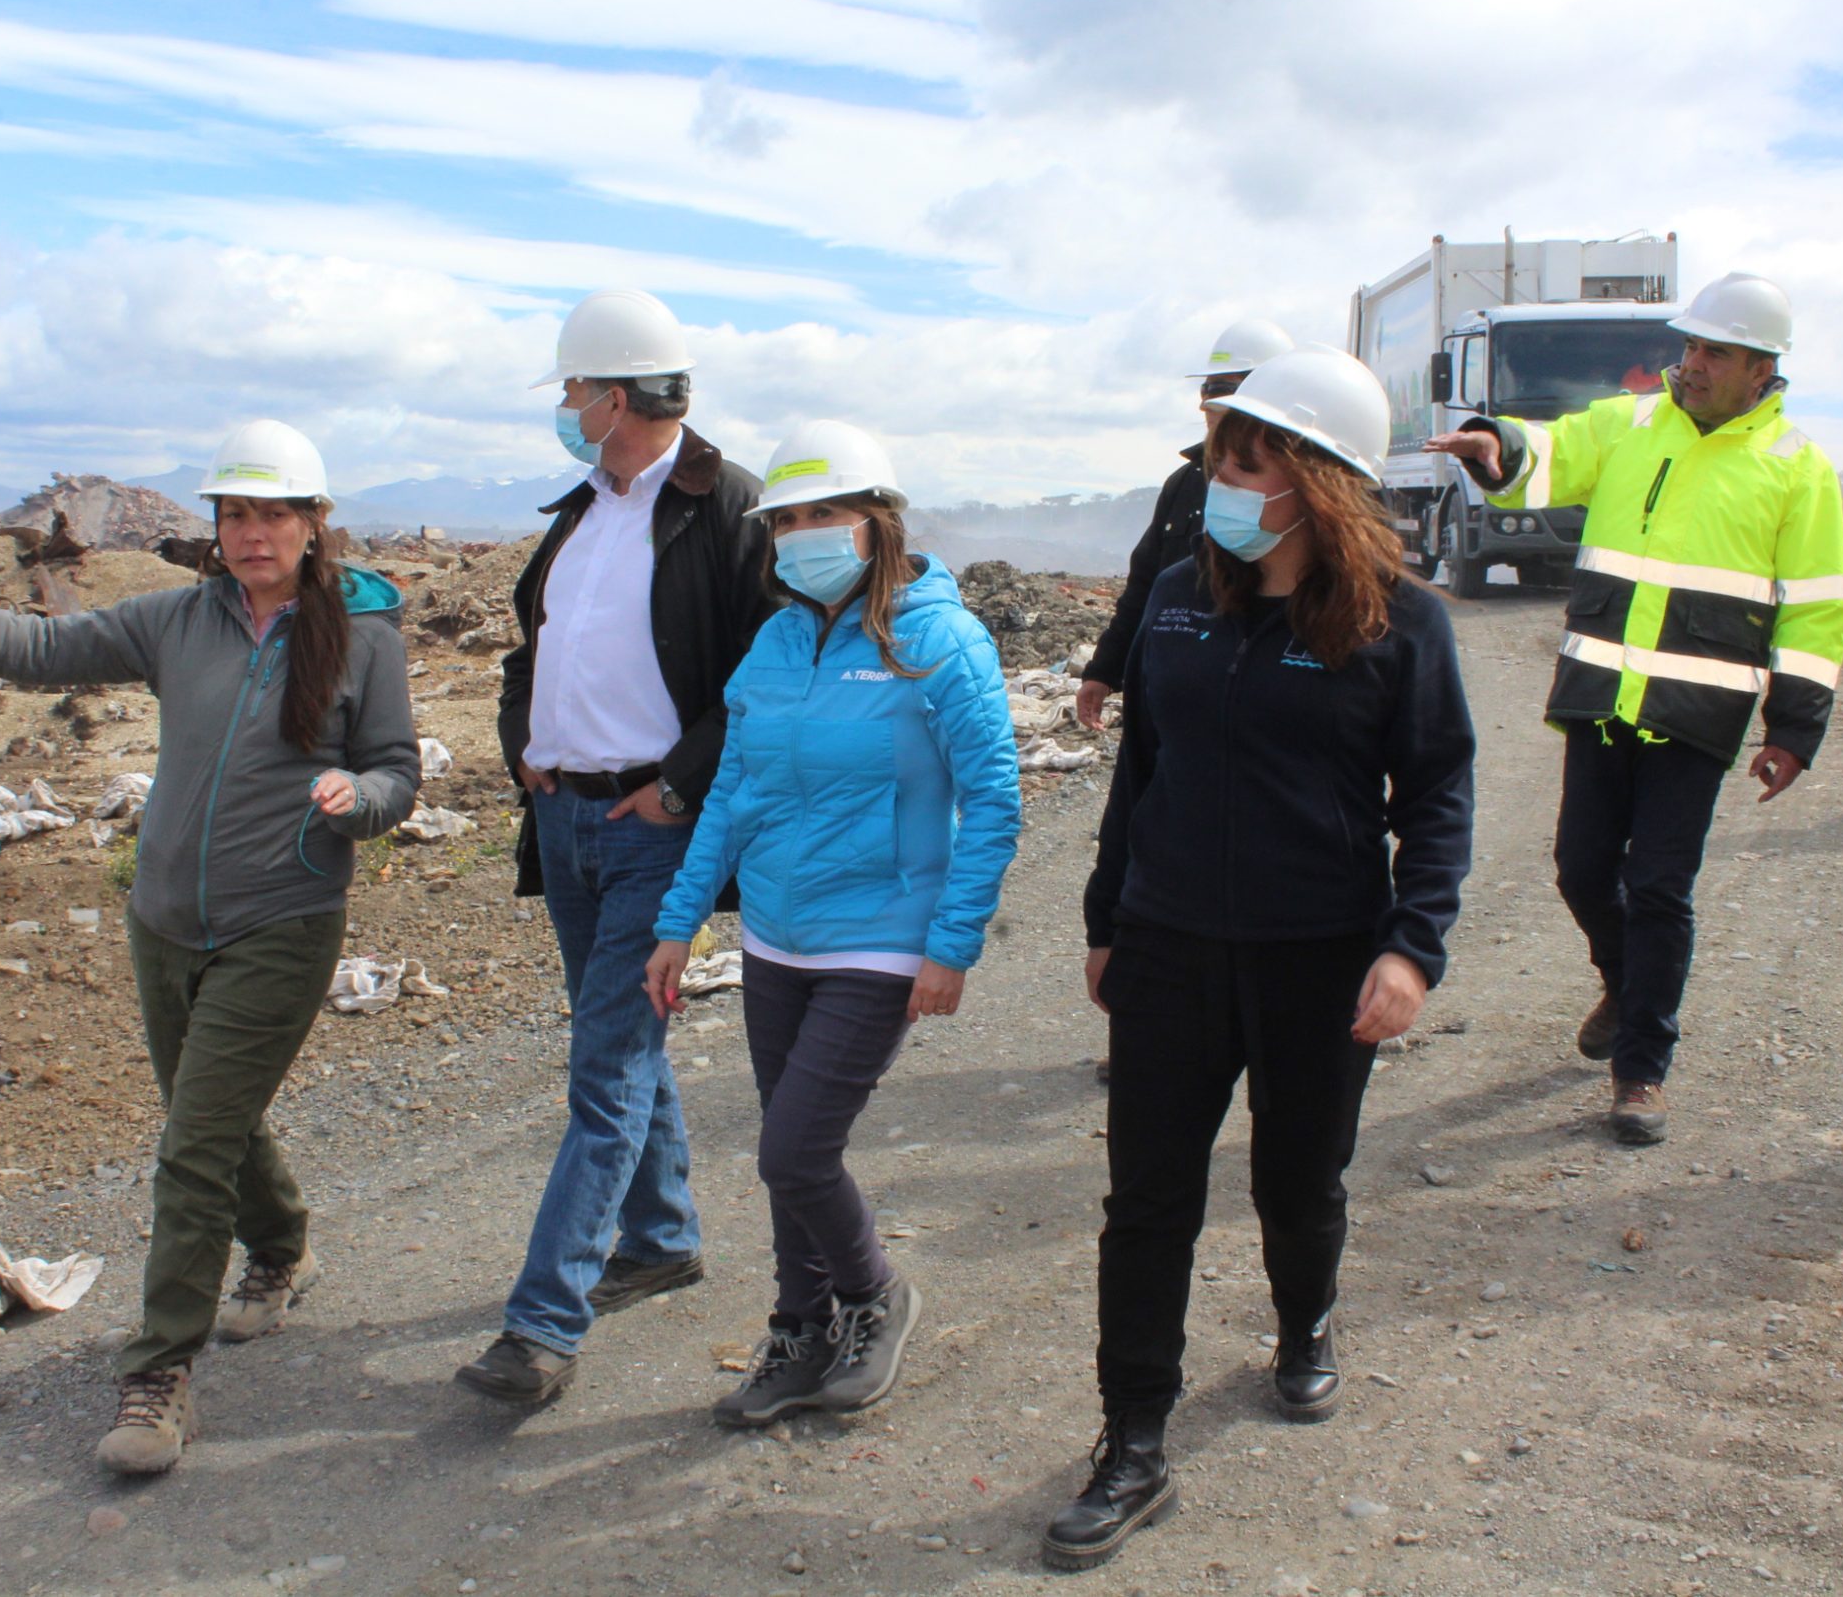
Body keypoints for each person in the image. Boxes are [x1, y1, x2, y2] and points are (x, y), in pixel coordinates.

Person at [0, 420, 420, 1474]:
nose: (250, 533)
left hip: (283, 922)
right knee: (207, 1118)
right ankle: (279, 1249)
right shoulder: (178, 621)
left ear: (316, 524)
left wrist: (356, 795)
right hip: (165, 919)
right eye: (233, 513)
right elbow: (39, 648)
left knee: (189, 1150)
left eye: (273, 513)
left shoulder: (365, 639)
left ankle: (158, 1376)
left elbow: (398, 772)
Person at [1042, 348, 1474, 1572]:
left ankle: (1304, 1324)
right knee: (1147, 1203)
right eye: (1220, 458)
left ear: (1317, 479)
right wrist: (1105, 918)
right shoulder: (1181, 598)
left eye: (1244, 460)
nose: (1220, 481)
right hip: (1172, 949)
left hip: (1318, 958)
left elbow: (1437, 797)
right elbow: (1143, 770)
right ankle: (1131, 1444)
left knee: (1298, 1182)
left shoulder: (1400, 623)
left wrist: (1410, 950)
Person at [642, 420, 1020, 1429]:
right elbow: (728, 791)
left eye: (825, 515)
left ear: (878, 522)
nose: (802, 535)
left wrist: (950, 944)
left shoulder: (939, 639)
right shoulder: (775, 641)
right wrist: (681, 924)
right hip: (774, 936)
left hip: (881, 939)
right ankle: (796, 1332)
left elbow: (991, 797)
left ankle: (874, 1297)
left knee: (794, 1152)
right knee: (785, 1146)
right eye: (787, 521)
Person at [1424, 272, 1843, 1145]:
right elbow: (1551, 450)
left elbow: (1816, 606)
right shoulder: (1632, 423)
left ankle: (1641, 1069)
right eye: (1690, 347)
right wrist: (1494, 443)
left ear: (1760, 367)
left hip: (1700, 711)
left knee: (1659, 885)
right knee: (1581, 868)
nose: (1691, 365)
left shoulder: (1796, 467)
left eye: (1713, 353)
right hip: (1600, 694)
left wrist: (1795, 726)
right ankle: (1626, 984)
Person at [459, 289, 777, 1406]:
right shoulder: (579, 510)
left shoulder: (730, 510)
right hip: (566, 821)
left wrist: (675, 785)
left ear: (619, 395)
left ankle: (543, 1325)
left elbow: (759, 679)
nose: (563, 406)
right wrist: (522, 746)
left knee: (605, 1064)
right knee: (625, 1042)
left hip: (655, 832)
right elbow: (526, 657)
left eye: (572, 390)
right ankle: (664, 1233)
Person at [1074, 317, 1295, 732]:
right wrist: (1103, 670)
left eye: (1222, 388)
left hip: (1263, 700)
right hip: (1173, 694)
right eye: (1205, 388)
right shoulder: (1185, 484)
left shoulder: (1310, 496)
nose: (1206, 404)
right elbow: (1143, 584)